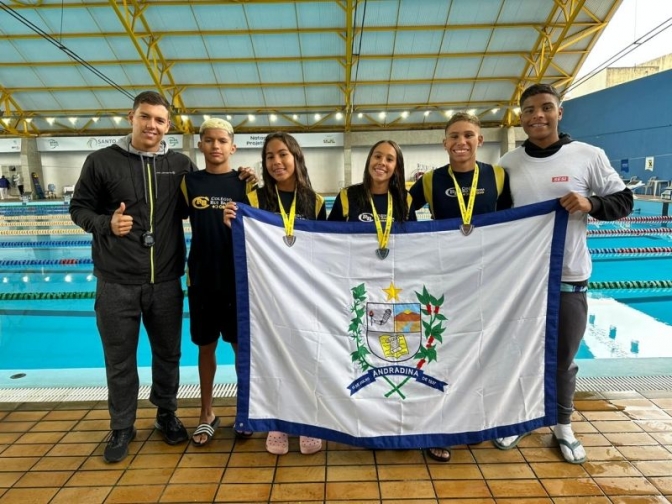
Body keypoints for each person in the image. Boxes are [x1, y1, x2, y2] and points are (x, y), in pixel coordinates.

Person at [493, 83, 633, 464]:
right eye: (529, 110)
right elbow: (498, 222)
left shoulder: (587, 156)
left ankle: (562, 423)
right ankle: (522, 417)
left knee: (563, 356)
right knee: (519, 351)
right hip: (522, 280)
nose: (537, 116)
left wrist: (591, 202)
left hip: (568, 274)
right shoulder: (508, 163)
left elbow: (624, 201)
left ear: (559, 112)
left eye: (545, 108)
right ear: (520, 118)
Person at [69, 91, 197, 463]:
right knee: (120, 359)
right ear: (131, 117)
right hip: (116, 281)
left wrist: (242, 182)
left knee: (168, 354)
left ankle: (166, 413)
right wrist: (105, 223)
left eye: (159, 120)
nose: (152, 125)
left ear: (168, 125)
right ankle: (122, 425)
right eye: (146, 117)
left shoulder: (180, 163)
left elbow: (199, 204)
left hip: (166, 281)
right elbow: (78, 209)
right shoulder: (101, 161)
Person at [408, 112, 512, 463]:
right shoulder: (431, 181)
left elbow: (516, 223)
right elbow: (402, 212)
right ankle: (438, 426)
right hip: (445, 278)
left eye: (468, 135)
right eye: (454, 136)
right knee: (442, 353)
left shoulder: (497, 175)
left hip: (486, 278)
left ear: (480, 140)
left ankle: (471, 419)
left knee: (480, 351)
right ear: (444, 143)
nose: (461, 142)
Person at [224, 131, 326, 456]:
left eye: (282, 154)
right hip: (267, 294)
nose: (276, 162)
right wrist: (232, 222)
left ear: (296, 157)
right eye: (269, 156)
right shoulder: (254, 199)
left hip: (305, 293)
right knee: (273, 356)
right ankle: (277, 423)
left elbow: (327, 251)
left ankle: (308, 421)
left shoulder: (316, 201)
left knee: (307, 356)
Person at [181, 118, 256, 446]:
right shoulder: (189, 183)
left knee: (243, 350)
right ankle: (206, 413)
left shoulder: (246, 184)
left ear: (233, 147)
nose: (215, 146)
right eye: (209, 140)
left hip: (238, 279)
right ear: (200, 145)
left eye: (222, 141)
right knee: (205, 347)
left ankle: (245, 411)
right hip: (202, 278)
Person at [328, 140, 416, 225]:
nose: (382, 162)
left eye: (389, 159)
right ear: (369, 160)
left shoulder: (405, 199)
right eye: (377, 157)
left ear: (396, 168)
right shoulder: (346, 196)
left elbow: (413, 237)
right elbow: (328, 235)